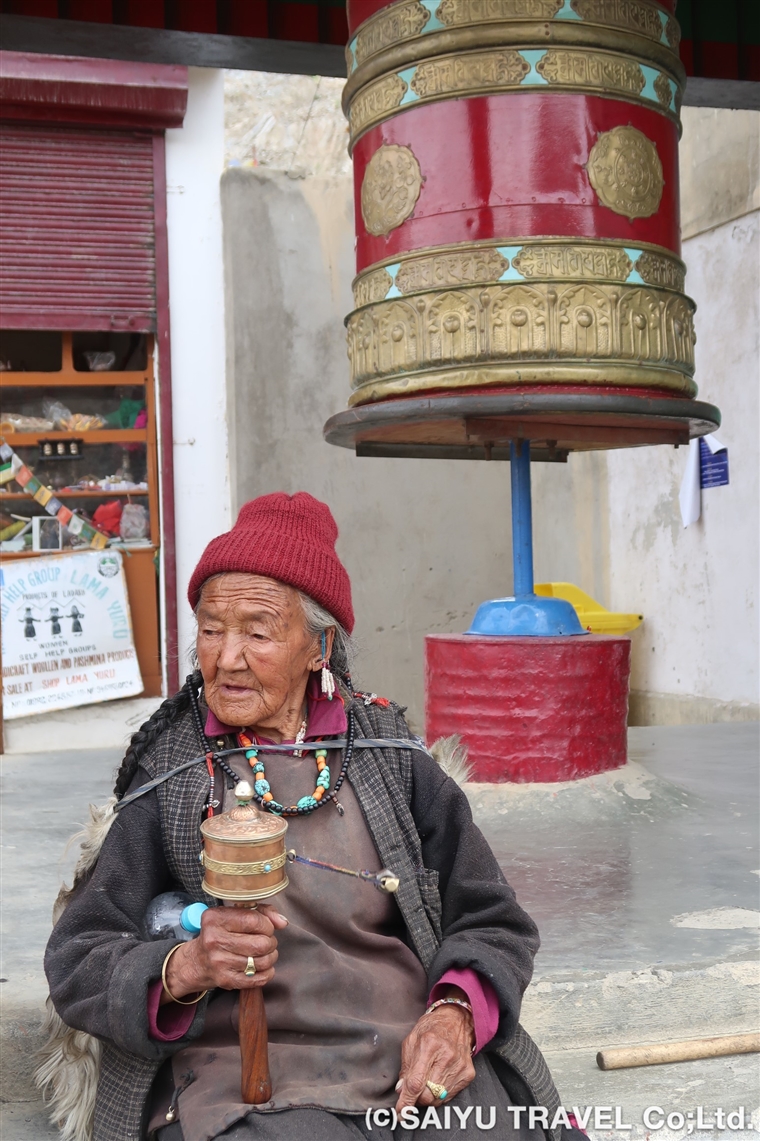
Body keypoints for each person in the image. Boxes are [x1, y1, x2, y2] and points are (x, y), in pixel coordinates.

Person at [42, 493, 584, 1141]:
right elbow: (78, 958)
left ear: (319, 646)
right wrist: (185, 965)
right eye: (211, 628)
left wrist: (454, 1014)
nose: (227, 656)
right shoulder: (176, 770)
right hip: (246, 1085)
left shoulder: (389, 758)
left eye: (258, 630)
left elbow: (492, 918)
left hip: (408, 1058)